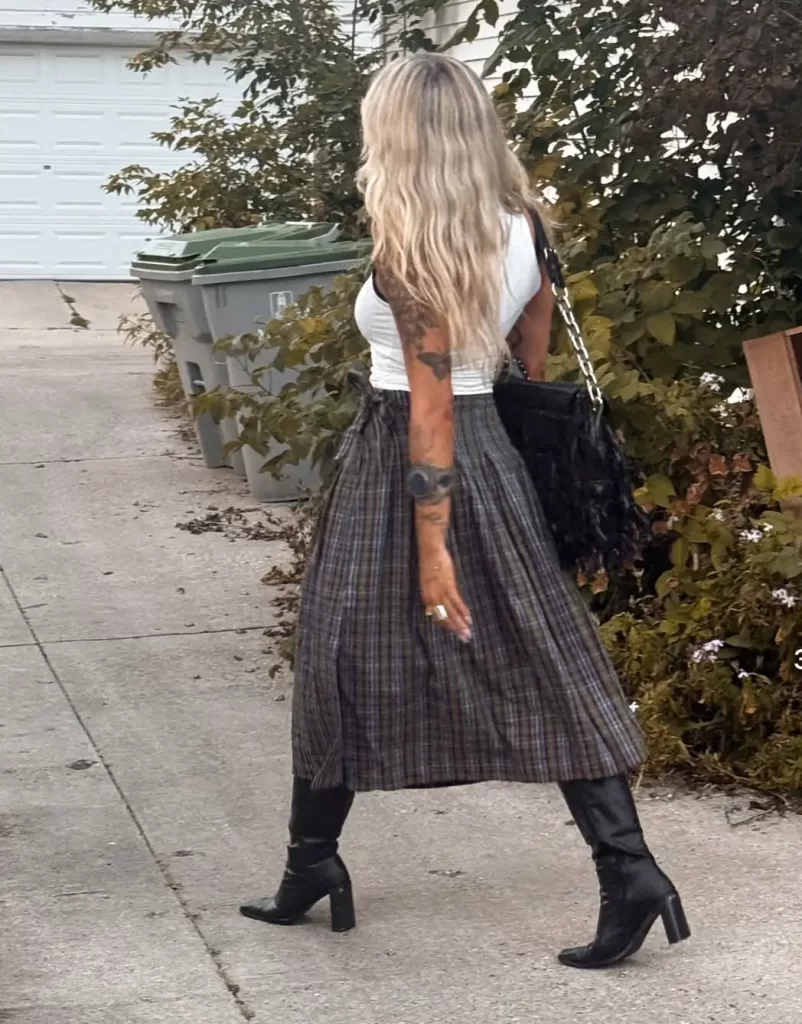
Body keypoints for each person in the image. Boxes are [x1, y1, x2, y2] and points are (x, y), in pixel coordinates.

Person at [239, 52, 690, 969]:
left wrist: (433, 550)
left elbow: (432, 408)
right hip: (488, 452)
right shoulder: (523, 223)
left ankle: (315, 863)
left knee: (339, 655)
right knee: (543, 653)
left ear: (398, 135)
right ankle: (317, 861)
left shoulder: (413, 252)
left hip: (413, 465)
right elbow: (534, 344)